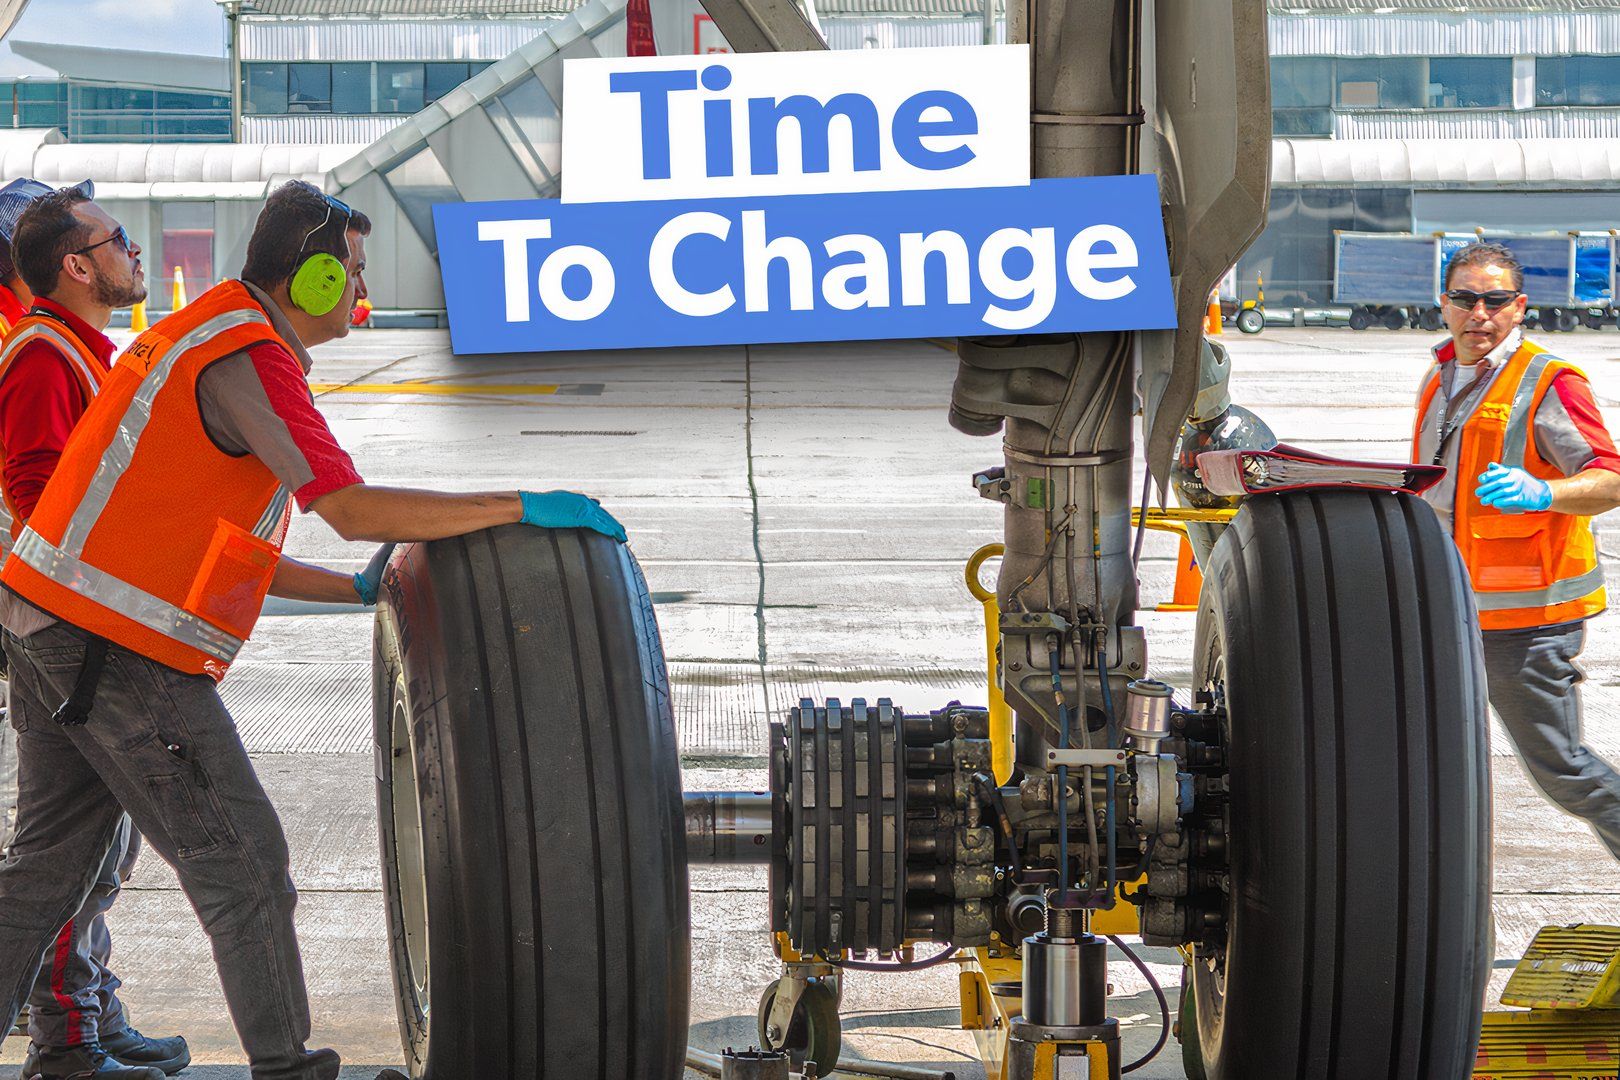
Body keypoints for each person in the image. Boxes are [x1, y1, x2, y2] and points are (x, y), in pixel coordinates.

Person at [0, 178, 626, 1080]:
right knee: (243, 863)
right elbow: (351, 503)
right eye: (354, 273)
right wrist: (517, 505)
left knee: (46, 873)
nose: (362, 294)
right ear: (320, 279)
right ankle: (289, 1069)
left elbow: (208, 550)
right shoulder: (249, 351)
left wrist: (352, 590)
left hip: (53, 625)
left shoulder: (205, 331)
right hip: (110, 644)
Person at [0, 185, 193, 1080]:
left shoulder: (73, 343)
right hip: (60, 625)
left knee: (91, 843)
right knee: (63, 847)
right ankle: (68, 1035)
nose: (133, 250)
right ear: (66, 262)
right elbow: (36, 495)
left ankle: (83, 1016)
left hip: (67, 618)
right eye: (117, 238)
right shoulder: (38, 345)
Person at [1413, 239, 1620, 862]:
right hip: (1453, 610)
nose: (1480, 312)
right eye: (1465, 298)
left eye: (1495, 300)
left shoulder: (1548, 382)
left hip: (1526, 623)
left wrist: (1545, 491)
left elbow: (1609, 477)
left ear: (1519, 306)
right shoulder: (1441, 375)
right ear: (1443, 303)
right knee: (1428, 762)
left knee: (1563, 771)